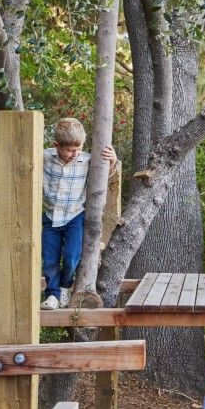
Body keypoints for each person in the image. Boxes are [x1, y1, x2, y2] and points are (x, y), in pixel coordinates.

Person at [41, 117, 116, 310]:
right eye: (70, 150)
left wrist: (112, 161)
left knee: (72, 257)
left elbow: (104, 175)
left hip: (75, 216)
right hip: (50, 216)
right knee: (49, 259)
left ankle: (65, 286)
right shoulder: (44, 157)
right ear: (57, 145)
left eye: (78, 149)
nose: (75, 154)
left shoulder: (86, 160)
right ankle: (52, 294)